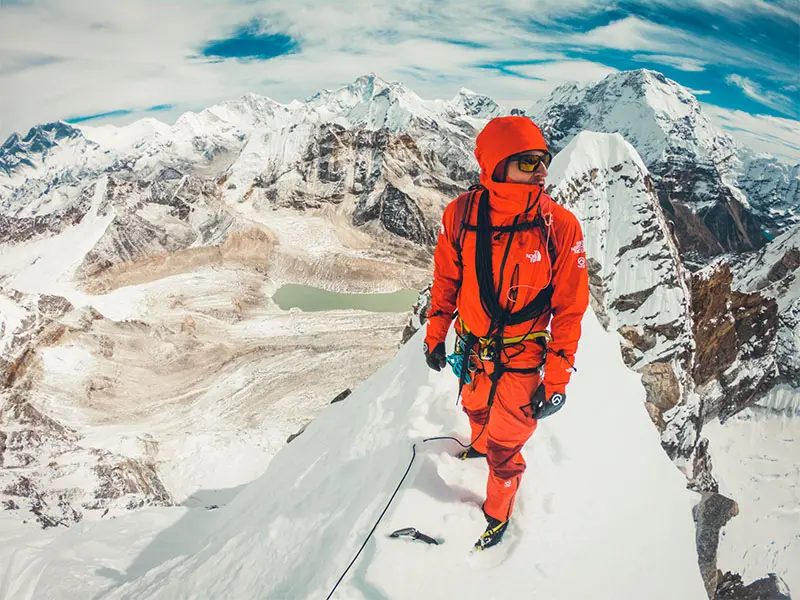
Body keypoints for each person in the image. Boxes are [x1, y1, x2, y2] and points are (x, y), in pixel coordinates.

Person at [423, 115, 589, 550]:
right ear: (497, 164)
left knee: (506, 444)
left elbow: (570, 309)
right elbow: (446, 280)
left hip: (522, 357)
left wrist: (556, 380)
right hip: (475, 349)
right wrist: (435, 333)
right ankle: (477, 445)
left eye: (543, 160)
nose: (541, 170)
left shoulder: (560, 226)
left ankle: (496, 514)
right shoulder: (461, 215)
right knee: (477, 408)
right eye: (528, 161)